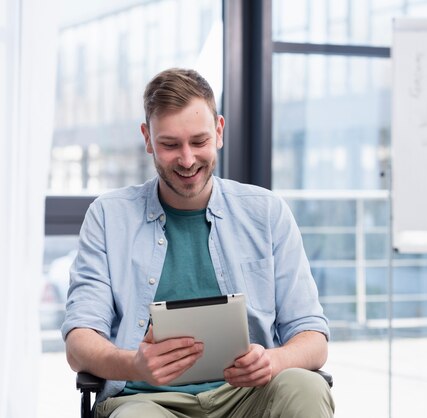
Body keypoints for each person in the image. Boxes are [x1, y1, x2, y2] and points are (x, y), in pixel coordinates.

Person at [62, 68, 335, 418]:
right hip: (147, 402)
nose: (188, 160)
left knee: (306, 387)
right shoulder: (107, 216)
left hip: (247, 398)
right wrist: (134, 365)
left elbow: (313, 336)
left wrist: (272, 360)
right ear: (147, 139)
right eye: (170, 144)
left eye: (199, 141)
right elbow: (79, 344)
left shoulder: (266, 212)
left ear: (219, 131)